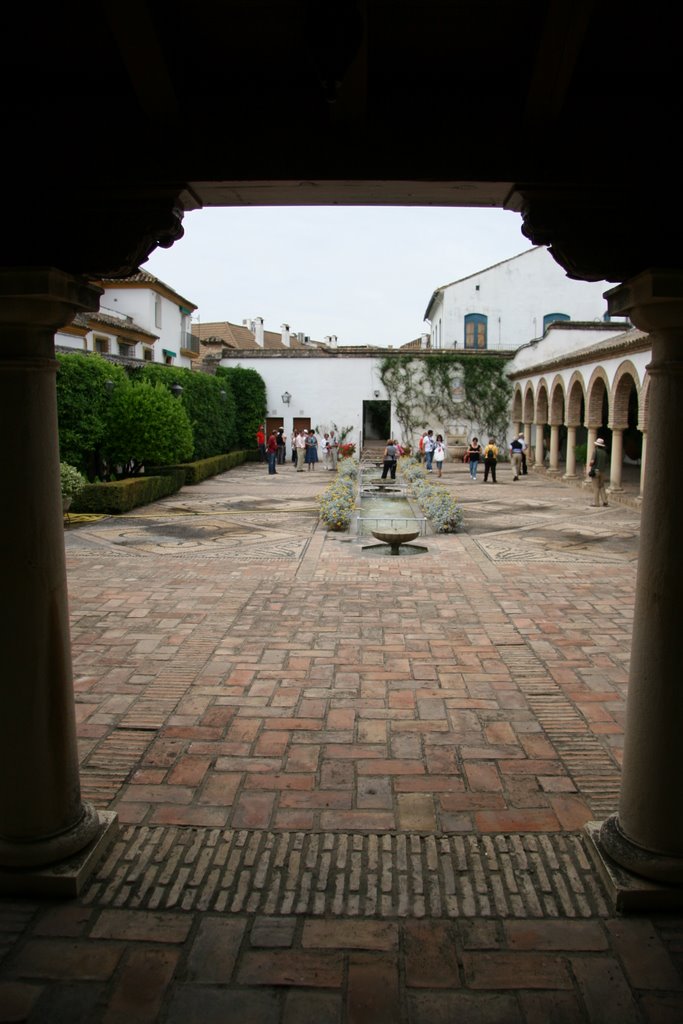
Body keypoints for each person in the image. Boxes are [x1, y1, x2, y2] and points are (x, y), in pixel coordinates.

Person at [588, 436, 609, 506]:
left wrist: (590, 465)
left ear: (597, 445)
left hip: (596, 471)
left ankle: (596, 503)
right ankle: (605, 501)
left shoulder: (595, 451)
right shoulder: (604, 452)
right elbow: (606, 463)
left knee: (596, 487)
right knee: (602, 486)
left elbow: (592, 461)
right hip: (602, 471)